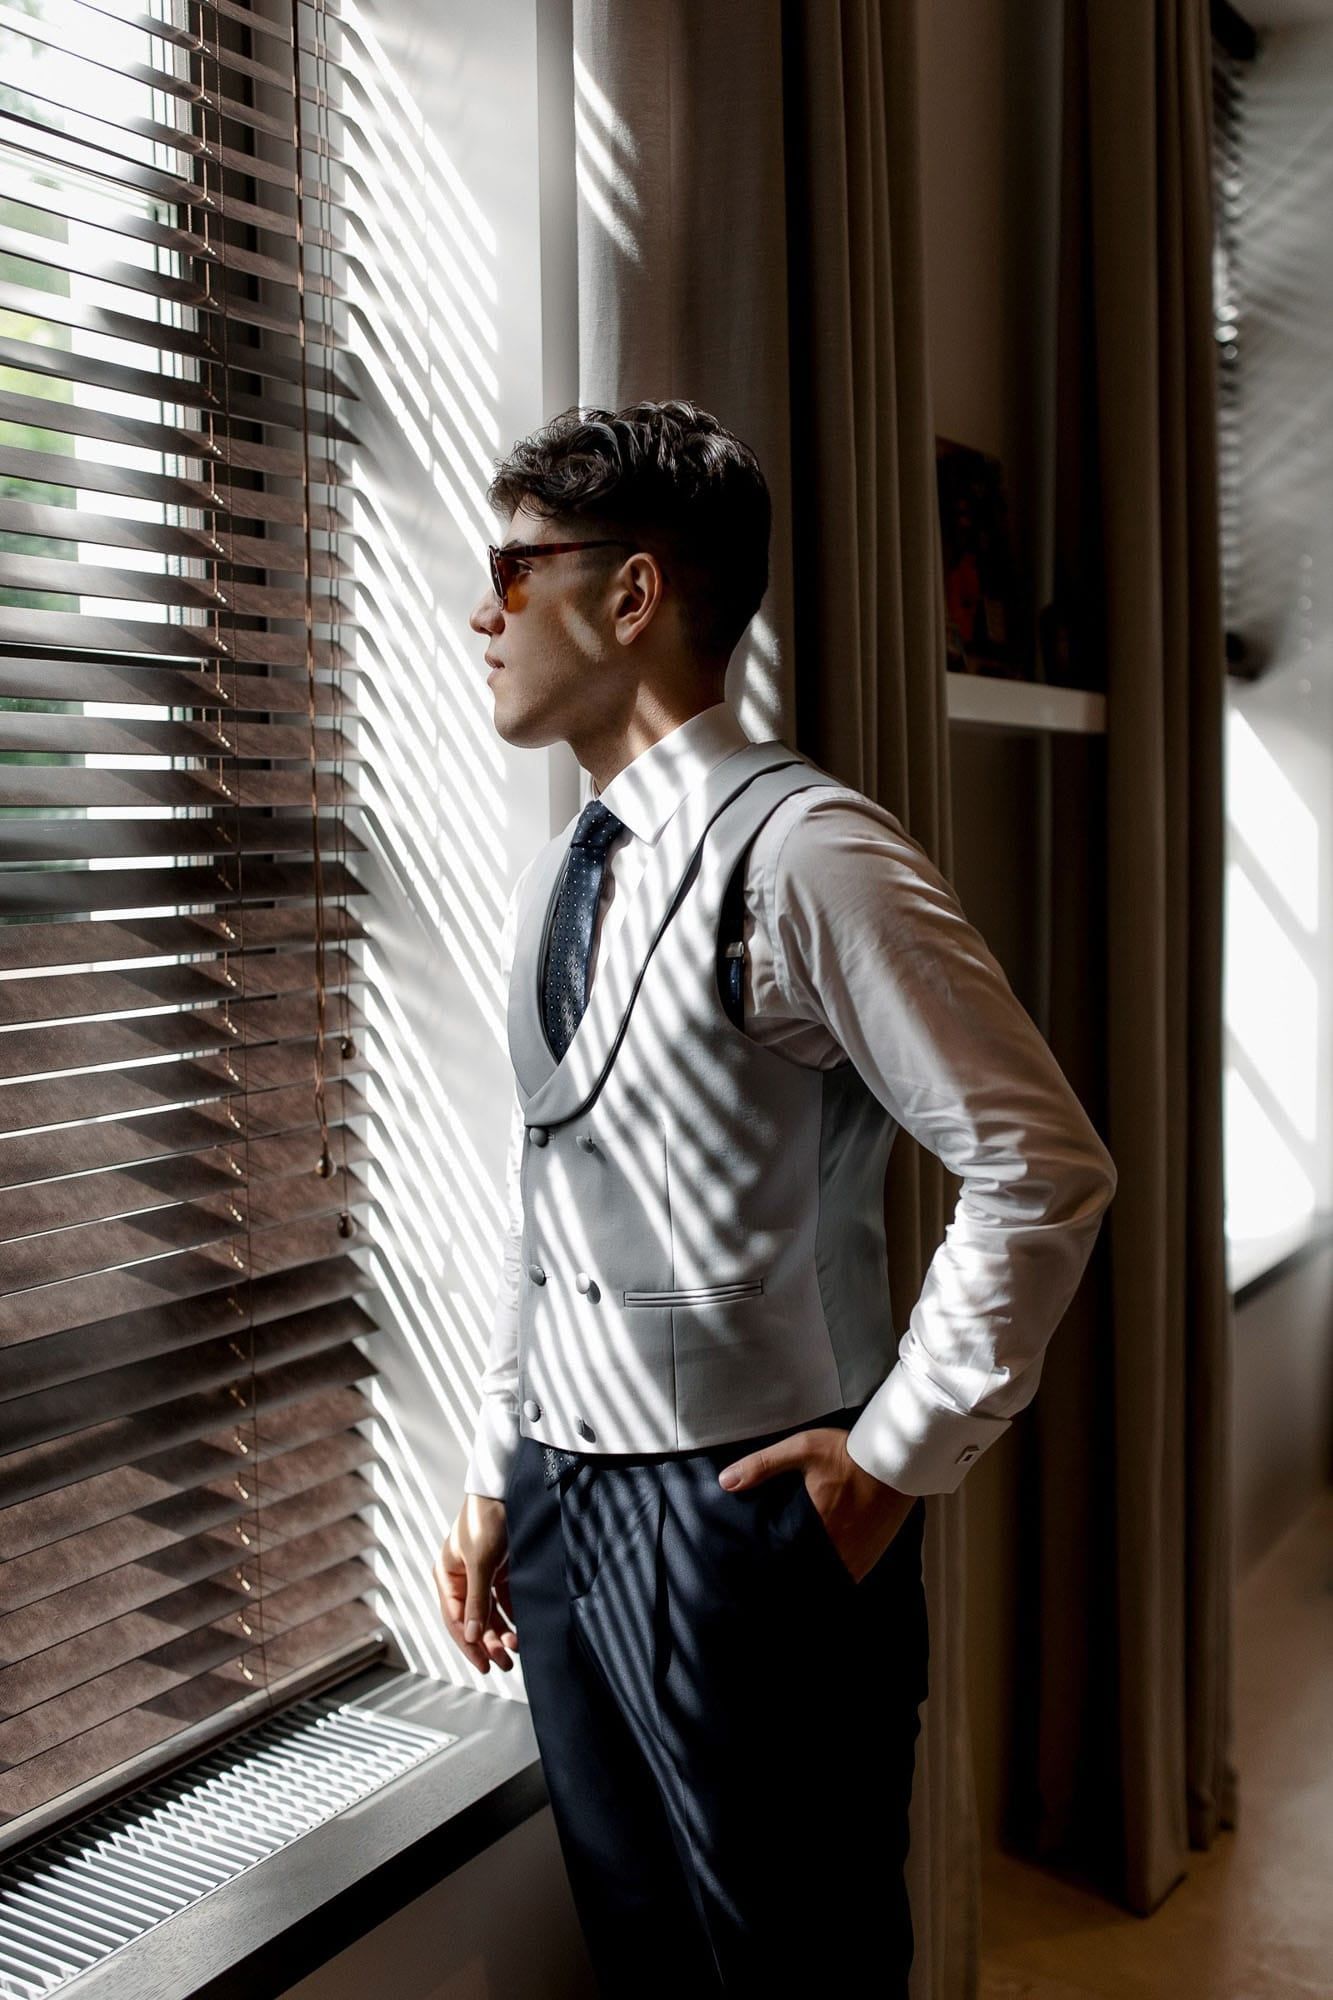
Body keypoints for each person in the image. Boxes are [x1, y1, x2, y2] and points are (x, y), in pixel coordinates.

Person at [435, 399, 1117, 1996]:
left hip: (747, 1519)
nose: (484, 610)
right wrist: (493, 1467)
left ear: (631, 596)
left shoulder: (807, 853)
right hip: (559, 1500)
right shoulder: (560, 864)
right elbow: (550, 1197)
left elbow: (1043, 1163)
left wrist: (892, 1461)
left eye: (512, 567)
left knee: (792, 1965)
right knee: (646, 1958)